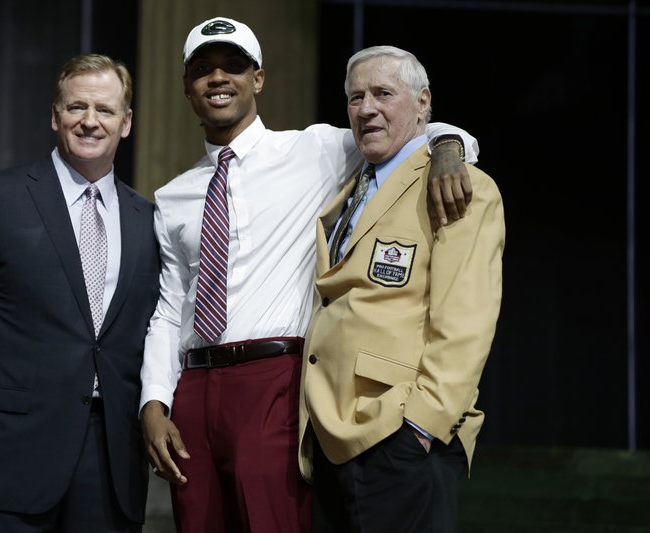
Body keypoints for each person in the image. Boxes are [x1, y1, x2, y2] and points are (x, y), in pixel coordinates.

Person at [140, 17, 479, 533]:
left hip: (275, 378)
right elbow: (170, 306)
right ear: (187, 86)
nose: (218, 78)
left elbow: (404, 129)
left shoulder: (315, 150)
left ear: (258, 79)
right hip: (193, 387)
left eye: (234, 65)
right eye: (203, 69)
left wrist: (452, 147)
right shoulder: (172, 196)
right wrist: (154, 401)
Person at [0, 53, 160, 533]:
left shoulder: (148, 219)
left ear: (127, 122)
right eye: (76, 107)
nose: (90, 121)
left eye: (105, 110)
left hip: (111, 461)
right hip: (6, 456)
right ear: (55, 116)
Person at [297, 45, 505, 533]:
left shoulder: (458, 186)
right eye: (355, 97)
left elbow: (466, 322)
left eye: (383, 93)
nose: (366, 107)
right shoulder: (347, 182)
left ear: (423, 101)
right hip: (330, 436)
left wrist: (421, 427)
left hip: (399, 437)